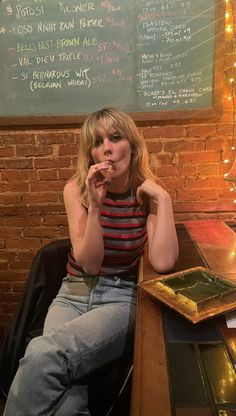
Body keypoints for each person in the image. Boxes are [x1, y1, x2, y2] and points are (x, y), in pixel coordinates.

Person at [3, 107, 179, 416]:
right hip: (72, 293)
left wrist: (163, 199)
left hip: (121, 298)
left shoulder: (146, 195)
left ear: (133, 145)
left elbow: (163, 262)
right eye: (97, 143)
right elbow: (90, 265)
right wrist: (96, 207)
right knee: (67, 400)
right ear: (90, 153)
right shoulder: (76, 190)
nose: (106, 149)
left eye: (115, 138)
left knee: (43, 352)